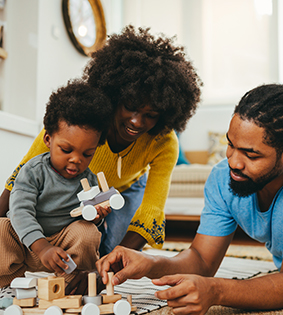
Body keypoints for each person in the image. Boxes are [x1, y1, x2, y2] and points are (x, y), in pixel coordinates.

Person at [96, 84, 283, 314]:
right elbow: (201, 260)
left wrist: (217, 291)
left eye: (250, 155)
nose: (233, 162)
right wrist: (150, 263)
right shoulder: (224, 178)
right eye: (230, 145)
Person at [0, 25, 202, 258]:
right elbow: (20, 175)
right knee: (83, 244)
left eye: (151, 115)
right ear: (115, 95)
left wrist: (112, 263)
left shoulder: (164, 143)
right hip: (80, 186)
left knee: (109, 253)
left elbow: (151, 212)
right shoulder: (79, 120)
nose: (137, 122)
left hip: (128, 189)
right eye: (130, 106)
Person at [0, 79, 113, 304]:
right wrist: (41, 247)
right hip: (27, 242)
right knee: (2, 228)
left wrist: (97, 215)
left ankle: (75, 284)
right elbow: (20, 211)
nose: (76, 160)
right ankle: (8, 285)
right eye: (66, 149)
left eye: (87, 154)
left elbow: (86, 219)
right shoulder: (33, 171)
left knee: (88, 232)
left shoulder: (88, 180)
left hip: (63, 247)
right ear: (48, 140)